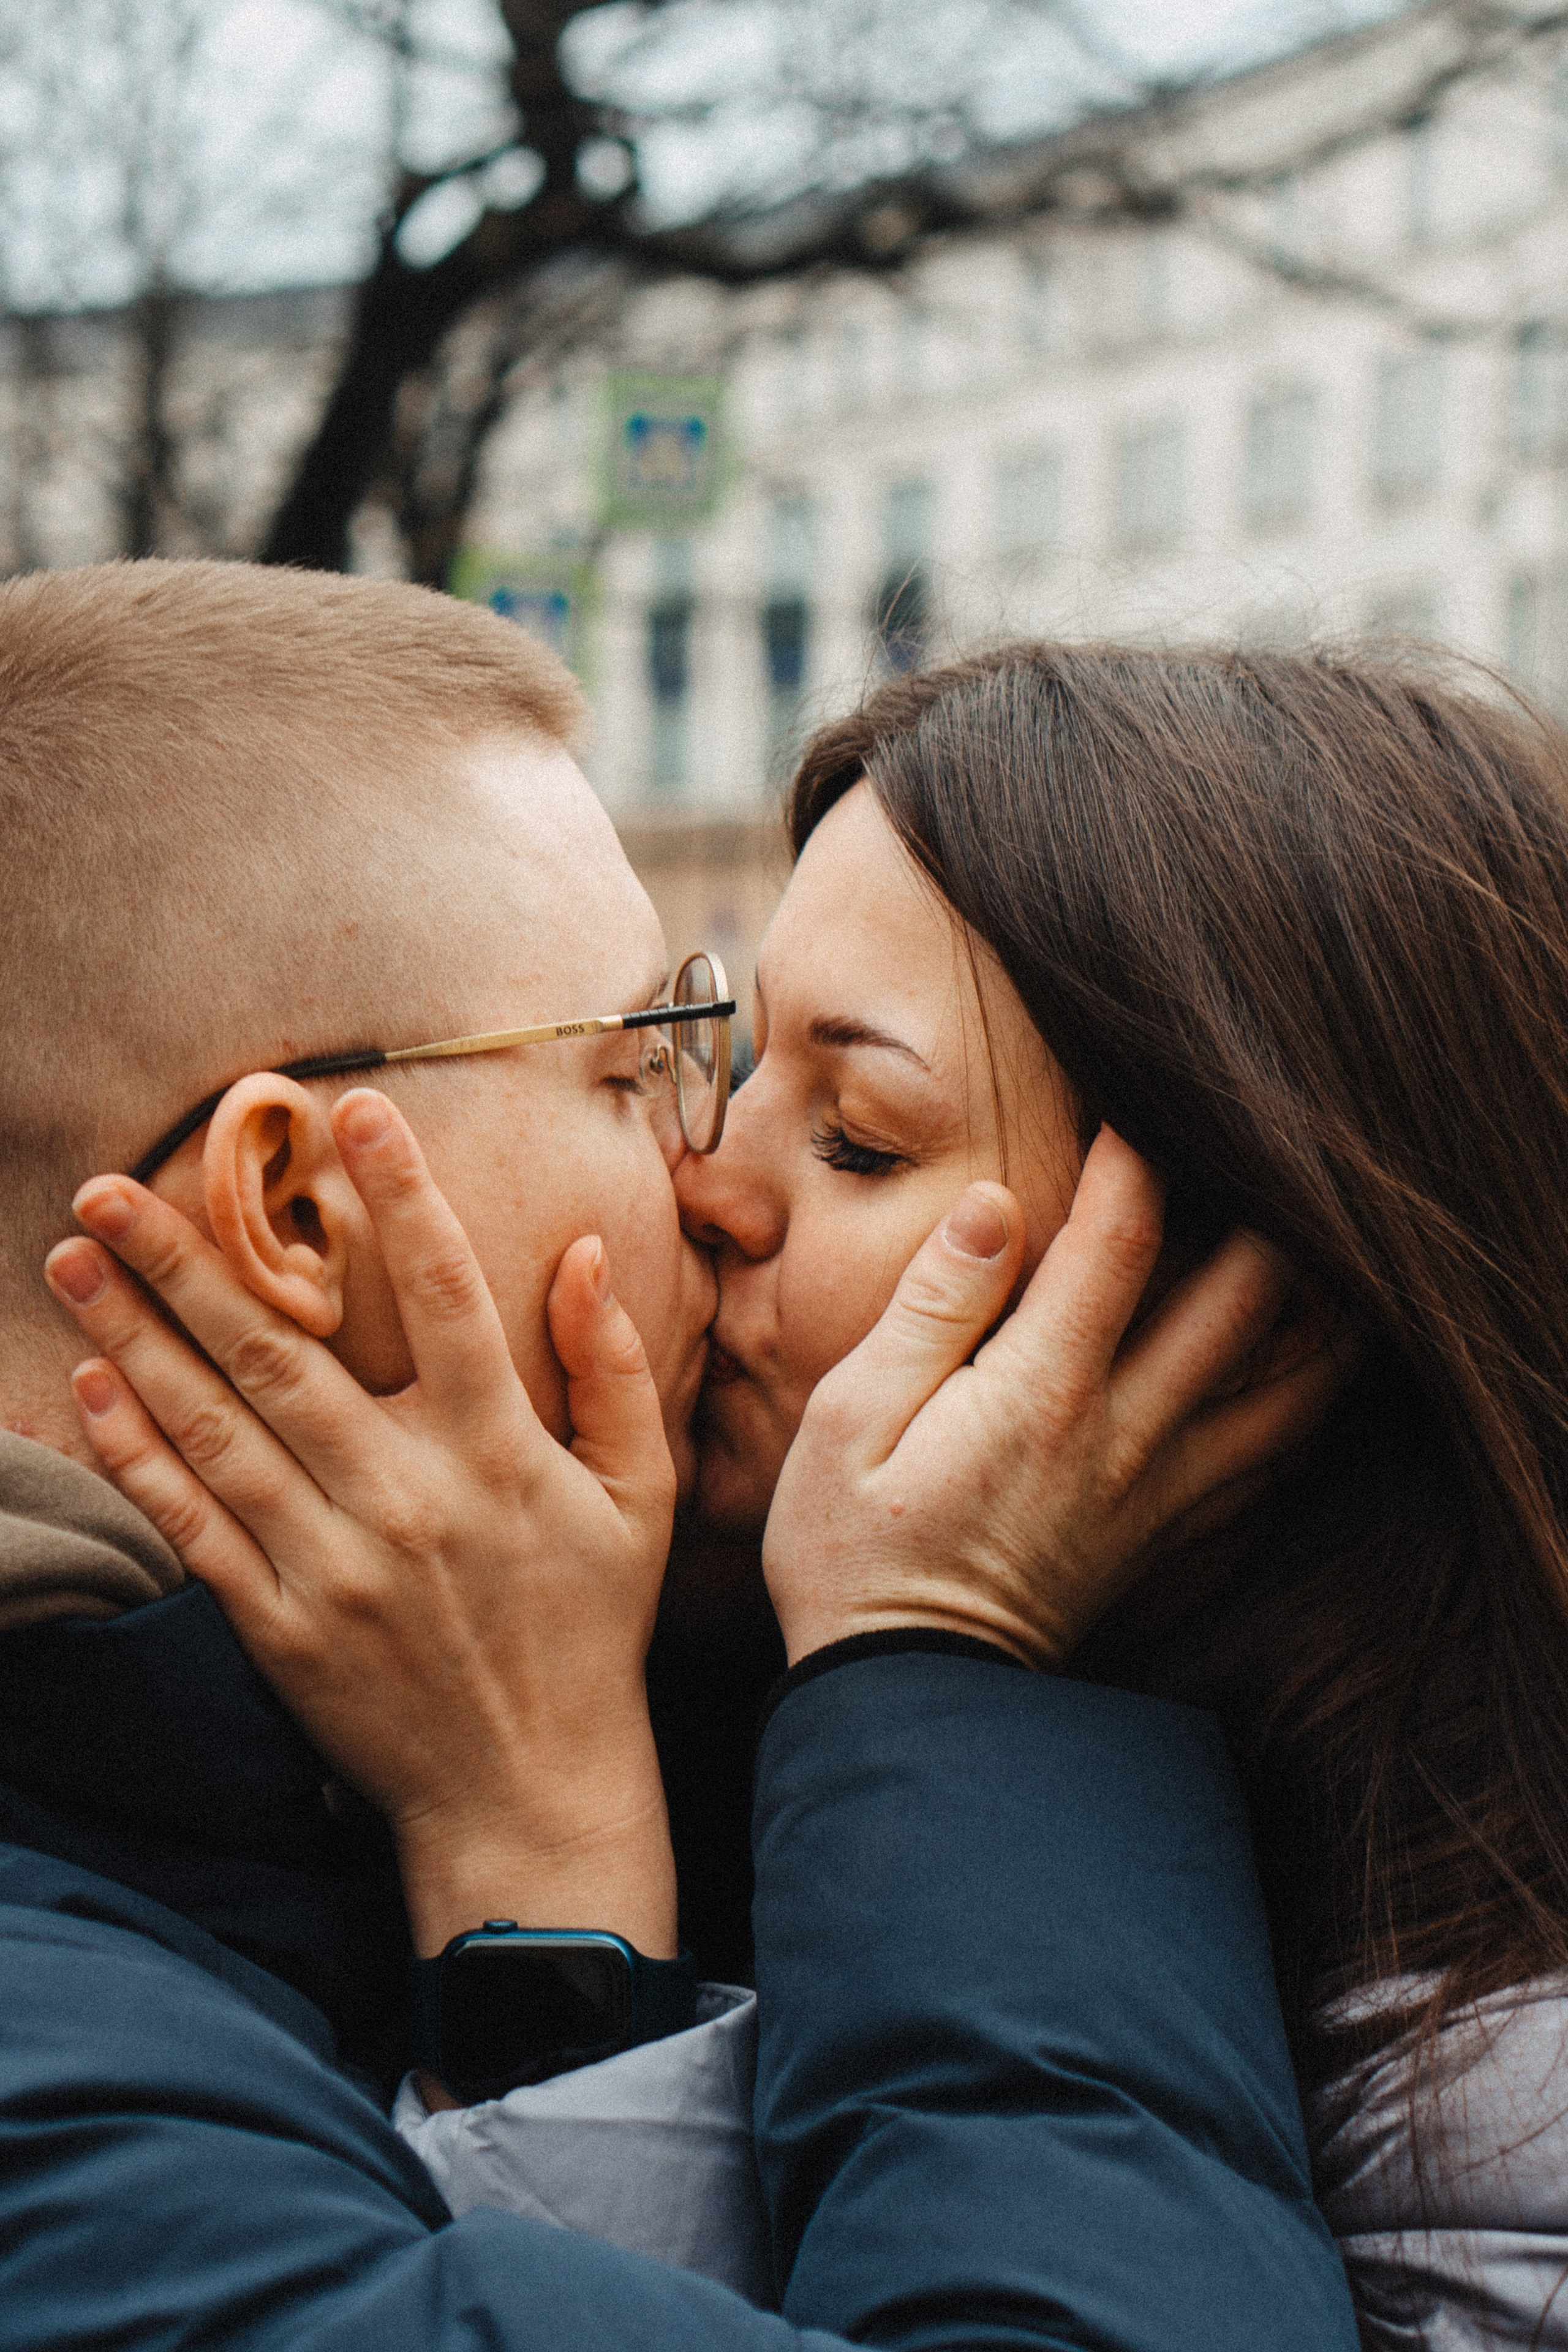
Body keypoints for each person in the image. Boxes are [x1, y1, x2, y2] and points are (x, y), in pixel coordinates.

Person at [0, 562, 1357, 2350]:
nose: (708, 1172)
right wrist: (945, 1662)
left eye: (850, 1129)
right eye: (642, 1060)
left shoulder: (339, 1779)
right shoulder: (61, 2095)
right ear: (300, 1209)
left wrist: (544, 1866)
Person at [659, 641, 1568, 2350]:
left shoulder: (1504, 2112)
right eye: (735, 1057)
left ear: (1245, 1325)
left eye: (854, 1135)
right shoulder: (668, 1687)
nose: (702, 1180)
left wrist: (923, 1660)